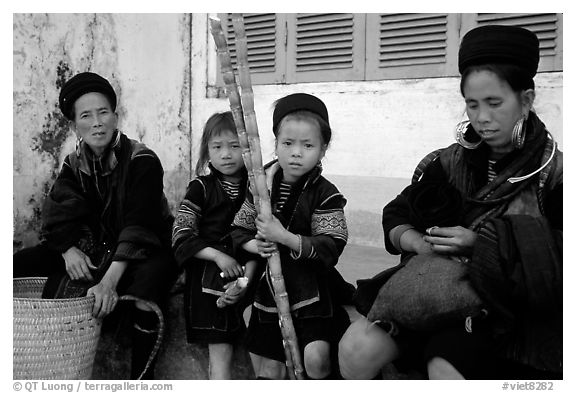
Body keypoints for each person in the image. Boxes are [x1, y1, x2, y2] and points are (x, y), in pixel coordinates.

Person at [338, 25, 562, 380]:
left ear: (527, 99)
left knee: (446, 365)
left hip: (503, 309)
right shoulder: (449, 162)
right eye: (472, 105)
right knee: (354, 350)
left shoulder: (554, 174)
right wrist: (417, 242)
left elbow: (559, 258)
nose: (482, 117)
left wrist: (481, 246)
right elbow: (397, 213)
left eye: (494, 103)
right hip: (433, 293)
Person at [13, 71, 178, 379]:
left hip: (146, 246)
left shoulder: (143, 160)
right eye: (86, 116)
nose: (97, 122)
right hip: (96, 247)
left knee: (148, 287)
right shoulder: (74, 164)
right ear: (75, 126)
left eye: (103, 113)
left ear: (116, 117)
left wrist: (108, 283)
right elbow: (58, 213)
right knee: (17, 264)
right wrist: (67, 250)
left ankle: (142, 380)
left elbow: (139, 224)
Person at [230, 93, 351, 379]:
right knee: (270, 367)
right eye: (287, 144)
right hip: (270, 291)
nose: (296, 152)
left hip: (313, 292)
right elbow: (238, 229)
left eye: (307, 145)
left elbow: (331, 246)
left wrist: (284, 236)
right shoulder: (261, 186)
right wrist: (255, 244)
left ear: (323, 149)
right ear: (276, 144)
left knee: (315, 359)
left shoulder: (326, 193)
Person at [171, 111, 259, 379]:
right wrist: (219, 257)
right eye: (217, 147)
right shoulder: (200, 187)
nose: (226, 154)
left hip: (250, 273)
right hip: (208, 280)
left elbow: (261, 242)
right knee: (220, 350)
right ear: (206, 151)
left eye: (235, 146)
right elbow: (181, 234)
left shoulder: (256, 189)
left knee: (260, 342)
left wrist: (245, 281)